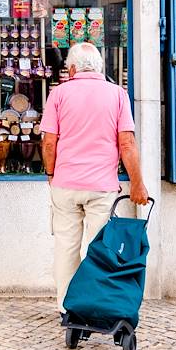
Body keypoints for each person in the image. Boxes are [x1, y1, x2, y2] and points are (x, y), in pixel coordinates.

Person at [40, 42, 149, 313]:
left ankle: (67, 307)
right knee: (98, 248)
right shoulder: (118, 94)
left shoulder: (59, 94)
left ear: (72, 68)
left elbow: (49, 143)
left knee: (65, 247)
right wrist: (137, 183)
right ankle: (93, 302)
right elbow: (127, 144)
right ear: (100, 67)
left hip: (65, 184)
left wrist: (52, 174)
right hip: (101, 187)